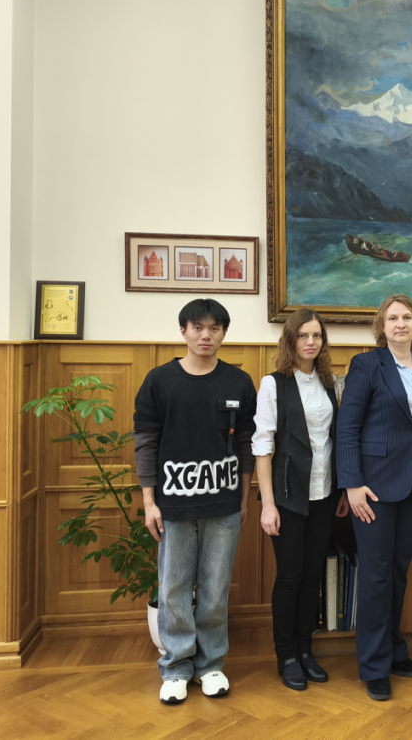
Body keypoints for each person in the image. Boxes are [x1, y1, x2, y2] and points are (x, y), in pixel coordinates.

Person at [134, 299, 257, 705]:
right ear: (183, 331)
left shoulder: (239, 382)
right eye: (198, 327)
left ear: (224, 333)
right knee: (172, 588)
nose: (206, 335)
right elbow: (146, 443)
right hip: (173, 504)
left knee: (215, 588)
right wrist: (149, 501)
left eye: (214, 328)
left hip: (225, 504)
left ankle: (210, 665)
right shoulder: (158, 381)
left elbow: (246, 443)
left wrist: (244, 496)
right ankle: (176, 666)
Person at [337, 293, 412, 702]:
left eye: (407, 317)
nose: (401, 323)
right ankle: (374, 666)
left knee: (398, 573)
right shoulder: (367, 365)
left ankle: (394, 649)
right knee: (377, 575)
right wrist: (352, 484)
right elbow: (347, 427)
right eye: (393, 318)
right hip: (374, 489)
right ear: (382, 327)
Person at [253, 309, 349, 691]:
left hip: (324, 495)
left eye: (317, 335)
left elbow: (334, 439)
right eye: (303, 335)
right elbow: (262, 447)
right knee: (290, 577)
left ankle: (306, 650)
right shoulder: (273, 384)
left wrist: (341, 490)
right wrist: (267, 504)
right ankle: (287, 656)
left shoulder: (329, 383)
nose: (311, 342)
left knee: (313, 577)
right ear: (290, 339)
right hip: (288, 499)